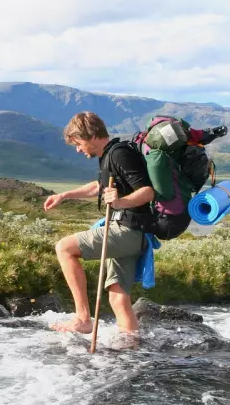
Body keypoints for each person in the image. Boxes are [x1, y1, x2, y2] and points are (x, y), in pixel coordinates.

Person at [43, 111, 155, 335]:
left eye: (78, 142)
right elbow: (98, 187)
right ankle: (131, 347)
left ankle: (83, 318)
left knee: (64, 248)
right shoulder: (109, 156)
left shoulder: (119, 154)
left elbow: (148, 192)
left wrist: (120, 201)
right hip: (131, 231)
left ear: (93, 135)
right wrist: (64, 195)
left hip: (127, 231)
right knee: (118, 298)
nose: (78, 149)